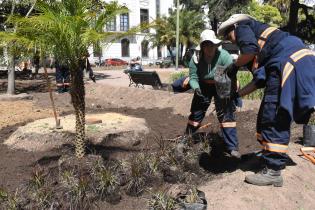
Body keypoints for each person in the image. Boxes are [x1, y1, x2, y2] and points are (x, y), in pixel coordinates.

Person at [218, 14, 315, 187]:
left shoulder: (242, 26)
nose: (231, 41)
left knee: (274, 114)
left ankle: (273, 170)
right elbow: (259, 81)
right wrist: (237, 94)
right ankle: (268, 155)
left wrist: (233, 66)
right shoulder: (265, 45)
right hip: (295, 62)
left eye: (228, 36)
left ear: (234, 27)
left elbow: (248, 51)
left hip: (289, 62)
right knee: (266, 113)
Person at [179, 29, 241, 158]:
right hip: (203, 84)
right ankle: (185, 141)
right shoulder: (196, 59)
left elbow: (231, 75)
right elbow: (193, 77)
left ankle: (232, 147)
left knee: (226, 114)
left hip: (221, 81)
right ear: (202, 46)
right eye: (205, 45)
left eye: (211, 44)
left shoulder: (224, 56)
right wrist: (196, 88)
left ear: (216, 45)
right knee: (196, 114)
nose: (209, 47)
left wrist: (232, 92)